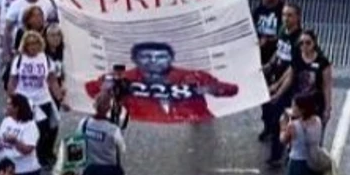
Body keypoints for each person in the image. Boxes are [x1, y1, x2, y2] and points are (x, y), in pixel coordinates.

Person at [87, 41, 243, 124]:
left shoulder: (193, 76)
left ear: (171, 58)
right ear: (135, 59)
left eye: (160, 57)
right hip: (144, 127)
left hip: (192, 124)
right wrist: (107, 87)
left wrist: (212, 89)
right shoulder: (124, 77)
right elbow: (91, 88)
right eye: (147, 56)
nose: (153, 61)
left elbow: (232, 90)